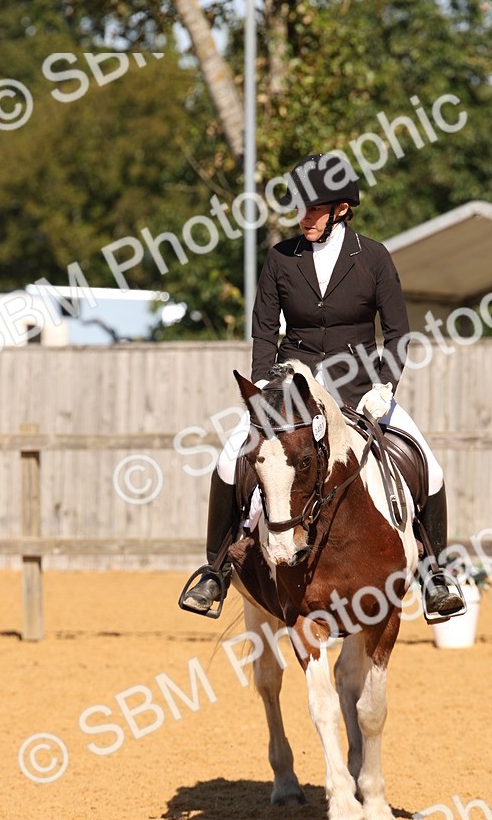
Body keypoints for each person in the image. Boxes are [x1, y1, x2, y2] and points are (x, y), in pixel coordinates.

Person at [179, 152, 463, 621]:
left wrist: (385, 385)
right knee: (230, 458)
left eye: (314, 210)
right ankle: (214, 574)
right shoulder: (280, 259)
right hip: (294, 387)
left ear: (341, 210)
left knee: (429, 465)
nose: (304, 218)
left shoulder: (372, 257)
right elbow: (264, 329)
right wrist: (268, 383)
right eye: (300, 209)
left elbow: (396, 334)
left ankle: (436, 576)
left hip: (361, 386)